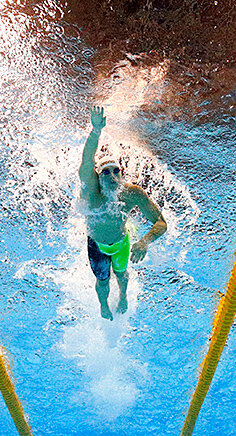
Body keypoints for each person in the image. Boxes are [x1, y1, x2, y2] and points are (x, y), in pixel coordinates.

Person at [79, 106, 167, 320]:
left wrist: (144, 242)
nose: (111, 175)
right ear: (97, 176)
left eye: (116, 171)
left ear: (122, 174)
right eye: (105, 172)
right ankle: (103, 305)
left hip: (121, 242)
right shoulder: (91, 191)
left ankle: (124, 296)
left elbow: (161, 222)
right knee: (102, 280)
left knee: (122, 276)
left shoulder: (132, 194)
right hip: (97, 245)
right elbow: (86, 161)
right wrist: (95, 132)